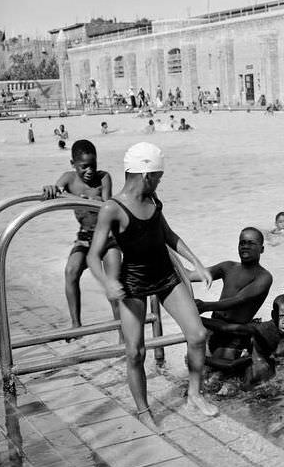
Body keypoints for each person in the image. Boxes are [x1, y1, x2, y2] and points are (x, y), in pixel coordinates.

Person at [87, 142, 219, 425]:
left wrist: (197, 263)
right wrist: (106, 284)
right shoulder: (112, 208)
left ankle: (195, 394)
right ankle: (144, 410)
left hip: (166, 276)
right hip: (133, 283)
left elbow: (167, 234)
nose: (160, 180)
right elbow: (92, 255)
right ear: (146, 174)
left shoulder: (153, 199)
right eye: (158, 175)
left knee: (197, 335)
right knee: (135, 352)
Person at [42, 139, 122, 336]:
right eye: (83, 166)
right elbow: (55, 189)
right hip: (85, 238)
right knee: (71, 271)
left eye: (92, 165)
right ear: (73, 164)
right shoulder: (69, 179)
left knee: (113, 282)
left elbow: (107, 203)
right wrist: (50, 189)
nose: (89, 171)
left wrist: (94, 200)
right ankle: (76, 325)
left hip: (107, 239)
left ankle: (122, 331)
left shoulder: (103, 178)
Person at [192, 228, 273, 367]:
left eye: (251, 243)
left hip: (234, 335)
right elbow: (193, 275)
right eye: (242, 243)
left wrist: (205, 306)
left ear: (262, 249)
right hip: (213, 329)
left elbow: (239, 299)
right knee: (201, 373)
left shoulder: (264, 277)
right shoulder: (228, 267)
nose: (245, 246)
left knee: (221, 378)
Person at [200, 294, 284, 391]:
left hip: (255, 370)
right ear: (273, 315)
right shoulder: (263, 330)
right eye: (282, 316)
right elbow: (227, 327)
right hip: (234, 359)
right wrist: (199, 319)